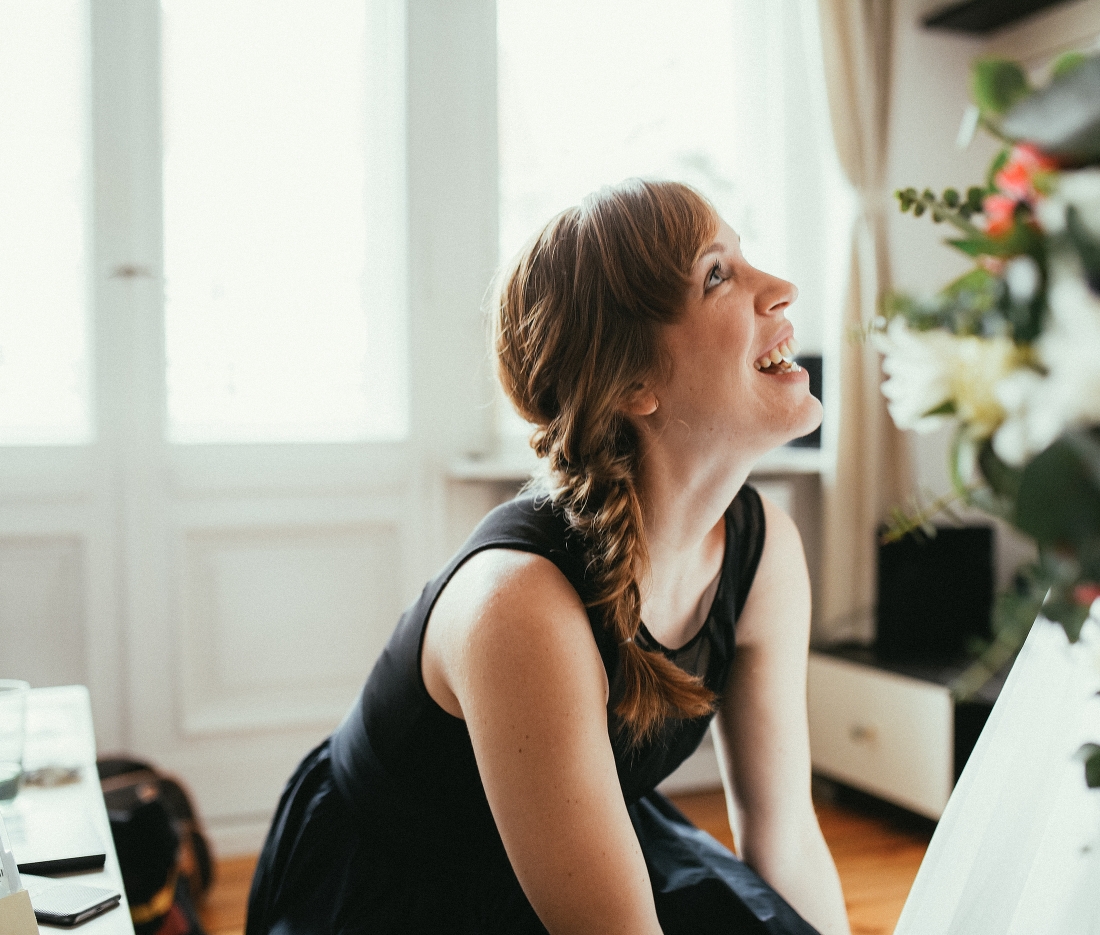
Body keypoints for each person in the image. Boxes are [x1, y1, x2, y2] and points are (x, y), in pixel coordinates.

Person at [245, 179, 851, 935]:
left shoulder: (763, 553)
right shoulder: (520, 604)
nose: (783, 289)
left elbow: (784, 835)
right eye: (718, 274)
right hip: (405, 892)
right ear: (633, 382)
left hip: (579, 834)